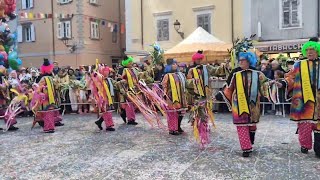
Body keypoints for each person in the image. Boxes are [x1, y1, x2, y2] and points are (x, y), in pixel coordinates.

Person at [217, 51, 272, 157]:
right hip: (238, 104)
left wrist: (274, 84)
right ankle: (246, 148)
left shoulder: (257, 73)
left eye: (243, 60)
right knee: (241, 125)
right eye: (240, 60)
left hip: (253, 104)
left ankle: (251, 139)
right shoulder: (235, 73)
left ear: (249, 61)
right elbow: (228, 87)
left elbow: (264, 84)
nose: (240, 62)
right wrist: (219, 94)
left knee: (252, 125)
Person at [285, 40, 320, 157]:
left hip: (318, 101)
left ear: (317, 51)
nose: (310, 52)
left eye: (312, 50)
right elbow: (290, 77)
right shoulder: (299, 65)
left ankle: (318, 148)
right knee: (304, 126)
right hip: (303, 102)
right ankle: (305, 145)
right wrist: (283, 83)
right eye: (308, 50)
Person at [32, 59, 63, 133]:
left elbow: (39, 90)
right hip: (52, 99)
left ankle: (48, 128)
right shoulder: (52, 79)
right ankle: (50, 127)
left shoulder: (43, 79)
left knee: (47, 114)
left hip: (45, 100)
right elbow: (57, 87)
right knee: (50, 113)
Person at [161, 59, 187, 135]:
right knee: (172, 113)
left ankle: (178, 127)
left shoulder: (181, 74)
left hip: (181, 96)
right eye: (173, 64)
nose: (175, 65)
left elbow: (185, 84)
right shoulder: (167, 75)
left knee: (181, 112)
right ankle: (172, 129)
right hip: (171, 97)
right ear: (169, 66)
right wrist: (165, 95)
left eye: (176, 64)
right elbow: (164, 86)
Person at [116, 56, 139, 125]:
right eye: (130, 62)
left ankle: (127, 115)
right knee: (129, 105)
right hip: (126, 90)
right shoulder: (122, 69)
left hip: (133, 89)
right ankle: (130, 119)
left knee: (132, 105)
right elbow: (118, 79)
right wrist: (123, 81)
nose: (131, 63)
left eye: (131, 61)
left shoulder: (133, 69)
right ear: (126, 63)